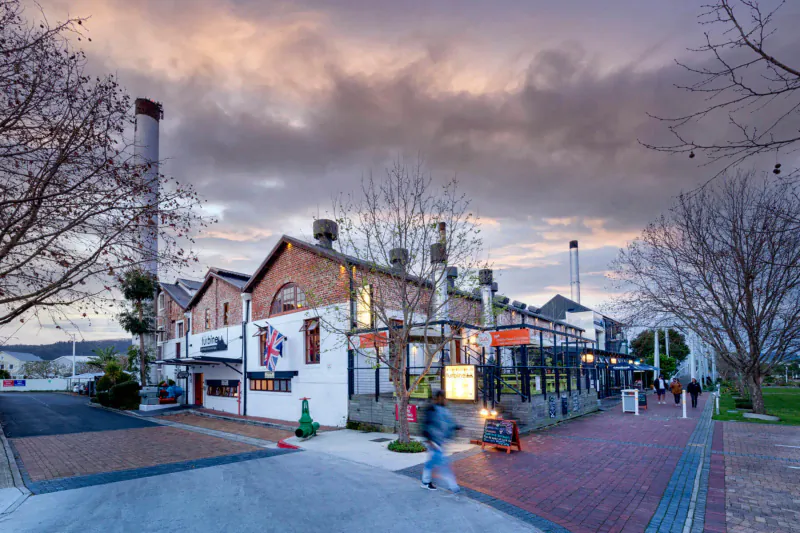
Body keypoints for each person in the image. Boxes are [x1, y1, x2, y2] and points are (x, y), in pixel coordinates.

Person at [421, 390, 461, 493]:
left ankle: (425, 482)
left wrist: (456, 427)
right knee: (443, 464)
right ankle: (453, 486)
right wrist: (429, 440)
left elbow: (448, 422)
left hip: (439, 441)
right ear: (438, 398)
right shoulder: (431, 409)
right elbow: (425, 425)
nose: (445, 400)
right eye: (443, 398)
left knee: (431, 462)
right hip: (434, 442)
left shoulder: (443, 409)